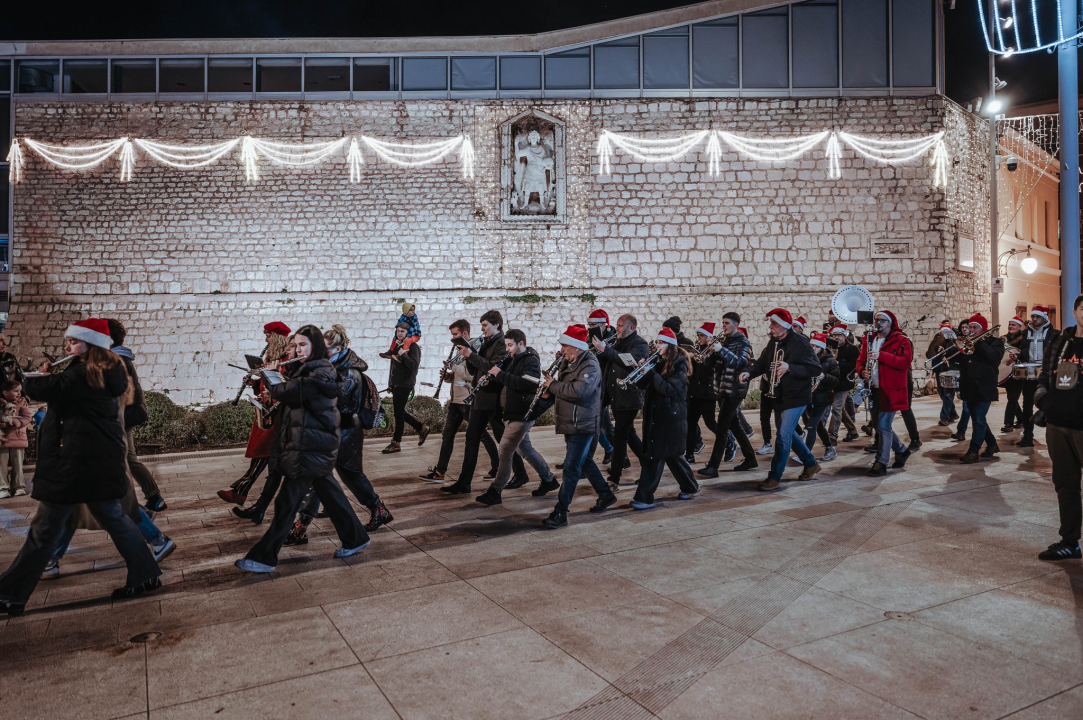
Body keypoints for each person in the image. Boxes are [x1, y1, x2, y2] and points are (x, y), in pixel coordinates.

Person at [0, 319, 161, 615]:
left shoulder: (87, 373)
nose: (66, 347)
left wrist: (30, 375)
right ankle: (146, 573)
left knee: (43, 531)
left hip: (77, 463)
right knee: (114, 518)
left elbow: (48, 387)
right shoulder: (104, 370)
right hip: (92, 461)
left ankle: (9, 594)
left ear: (91, 344)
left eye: (73, 342)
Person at [236, 325, 370, 573]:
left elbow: (288, 392)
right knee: (331, 495)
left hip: (311, 447)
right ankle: (356, 537)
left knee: (287, 504)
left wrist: (271, 374)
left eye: (303, 345)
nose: (297, 349)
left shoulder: (320, 371)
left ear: (316, 346)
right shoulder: (305, 369)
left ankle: (264, 557)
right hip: (307, 445)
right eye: (295, 345)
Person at [442, 310, 525, 494]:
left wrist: (472, 355)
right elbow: (475, 370)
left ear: (496, 325)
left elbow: (492, 368)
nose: (482, 329)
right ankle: (464, 483)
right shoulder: (487, 342)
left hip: (493, 399)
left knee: (503, 441)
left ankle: (520, 472)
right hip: (480, 399)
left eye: (485, 325)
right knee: (471, 439)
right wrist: (467, 356)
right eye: (482, 325)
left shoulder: (502, 345)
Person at [739, 309, 822, 491]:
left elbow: (815, 369)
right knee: (789, 434)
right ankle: (810, 464)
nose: (771, 326)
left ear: (784, 326)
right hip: (779, 395)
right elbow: (762, 363)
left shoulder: (800, 342)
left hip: (797, 396)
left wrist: (789, 367)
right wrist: (749, 372)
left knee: (783, 436)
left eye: (774, 324)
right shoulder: (774, 341)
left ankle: (775, 477)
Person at [541, 325, 615, 528]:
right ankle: (605, 494)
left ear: (576, 346)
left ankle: (561, 512)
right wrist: (550, 390)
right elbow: (564, 387)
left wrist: (552, 386)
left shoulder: (590, 364)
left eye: (565, 346)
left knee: (572, 469)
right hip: (571, 421)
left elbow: (580, 391)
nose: (562, 350)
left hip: (583, 423)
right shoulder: (570, 362)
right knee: (585, 462)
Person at [476, 329, 557, 505]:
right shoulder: (513, 359)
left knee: (505, 450)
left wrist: (501, 374)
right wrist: (490, 380)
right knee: (525, 449)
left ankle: (495, 491)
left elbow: (526, 384)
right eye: (506, 345)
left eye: (510, 345)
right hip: (512, 411)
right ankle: (549, 480)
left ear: (521, 343)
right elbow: (506, 380)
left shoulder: (531, 361)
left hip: (522, 412)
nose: (507, 349)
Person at [324, 325, 394, 531]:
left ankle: (378, 509)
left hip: (347, 430)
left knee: (351, 474)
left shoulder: (350, 373)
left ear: (337, 349)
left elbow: (340, 402)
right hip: (335, 428)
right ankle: (302, 523)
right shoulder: (333, 367)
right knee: (320, 475)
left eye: (324, 348)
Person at [419, 319, 499, 483]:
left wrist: (460, 364)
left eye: (455, 334)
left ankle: (497, 467)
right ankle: (440, 472)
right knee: (447, 435)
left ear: (464, 333)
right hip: (456, 400)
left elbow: (474, 376)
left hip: (468, 400)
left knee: (481, 435)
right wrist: (448, 376)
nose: (453, 338)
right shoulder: (459, 351)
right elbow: (457, 376)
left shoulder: (474, 349)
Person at [219, 323, 290, 505]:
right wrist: (254, 382)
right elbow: (269, 383)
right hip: (267, 408)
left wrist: (267, 374)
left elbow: (283, 383)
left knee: (264, 453)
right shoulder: (272, 357)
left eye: (268, 336)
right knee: (265, 454)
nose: (265, 340)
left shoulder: (286, 358)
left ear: (276, 337)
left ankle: (243, 492)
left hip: (276, 412)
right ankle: (243, 492)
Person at [1035, 294, 1083, 560]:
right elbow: (1045, 375)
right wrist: (1043, 399)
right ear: (1074, 312)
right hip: (1058, 424)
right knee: (1065, 484)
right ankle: (1070, 541)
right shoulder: (1062, 341)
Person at [630, 327, 700, 509]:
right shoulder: (660, 362)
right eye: (657, 342)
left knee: (655, 456)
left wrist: (651, 373)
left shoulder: (680, 362)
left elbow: (669, 389)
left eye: (661, 343)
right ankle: (690, 486)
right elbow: (644, 385)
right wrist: (640, 371)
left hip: (671, 417)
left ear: (670, 345)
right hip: (658, 415)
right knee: (673, 455)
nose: (657, 346)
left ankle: (643, 497)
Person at [106, 319, 168, 512]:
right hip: (126, 415)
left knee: (119, 459)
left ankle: (127, 504)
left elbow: (121, 391)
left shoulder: (117, 360)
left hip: (122, 416)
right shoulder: (120, 358)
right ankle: (153, 497)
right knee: (129, 457)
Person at [593, 314, 648, 491]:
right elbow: (608, 360)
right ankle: (650, 466)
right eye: (617, 325)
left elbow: (628, 362)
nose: (617, 328)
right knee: (628, 434)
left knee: (619, 438)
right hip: (616, 396)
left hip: (629, 397)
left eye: (620, 325)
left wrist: (606, 349)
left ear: (631, 327)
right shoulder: (617, 342)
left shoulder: (640, 344)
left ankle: (614, 479)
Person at [698, 313, 757, 477]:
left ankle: (713, 466)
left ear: (736, 324)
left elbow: (740, 362)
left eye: (727, 323)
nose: (723, 326)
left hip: (734, 390)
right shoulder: (723, 341)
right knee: (735, 426)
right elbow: (710, 365)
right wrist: (708, 351)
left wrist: (721, 350)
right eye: (722, 323)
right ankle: (750, 458)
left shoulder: (743, 342)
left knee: (722, 427)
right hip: (722, 390)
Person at [857, 311, 913, 476]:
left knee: (882, 426)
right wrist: (862, 372)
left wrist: (882, 355)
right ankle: (902, 450)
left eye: (882, 321)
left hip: (891, 389)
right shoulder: (870, 340)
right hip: (873, 389)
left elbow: (905, 362)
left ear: (890, 323)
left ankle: (881, 462)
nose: (878, 323)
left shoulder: (902, 341)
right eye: (876, 320)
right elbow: (860, 361)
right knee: (880, 426)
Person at [957, 314, 1004, 463]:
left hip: (985, 386)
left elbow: (994, 358)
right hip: (968, 386)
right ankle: (991, 444)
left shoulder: (995, 342)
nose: (971, 330)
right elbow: (960, 362)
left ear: (983, 329)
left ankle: (973, 450)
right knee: (978, 418)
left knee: (978, 417)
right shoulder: (965, 342)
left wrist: (978, 343)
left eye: (974, 327)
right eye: (969, 327)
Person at [381, 321, 430, 454]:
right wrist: (391, 384)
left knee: (399, 413)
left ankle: (396, 443)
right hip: (397, 383)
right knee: (400, 412)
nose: (400, 333)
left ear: (407, 333)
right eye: (398, 331)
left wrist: (403, 354)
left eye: (402, 331)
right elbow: (393, 366)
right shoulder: (397, 346)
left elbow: (414, 366)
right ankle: (421, 428)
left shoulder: (413, 346)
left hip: (406, 383)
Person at [1018, 306, 1060, 448]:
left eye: (1037, 317)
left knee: (1049, 404)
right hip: (1029, 372)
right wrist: (1017, 356)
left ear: (1045, 317)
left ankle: (1055, 436)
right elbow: (1024, 351)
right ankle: (1027, 436)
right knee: (1027, 406)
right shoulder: (1025, 333)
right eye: (1033, 316)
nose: (1034, 319)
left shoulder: (1055, 334)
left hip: (1046, 374)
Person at [586, 309, 618, 464]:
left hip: (604, 385)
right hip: (593, 383)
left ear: (604, 324)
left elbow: (615, 358)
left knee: (595, 424)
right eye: (589, 324)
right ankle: (615, 452)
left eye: (593, 325)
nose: (590, 328)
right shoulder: (590, 337)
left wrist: (603, 348)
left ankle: (587, 460)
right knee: (604, 424)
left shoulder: (613, 338)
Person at [686, 323, 718, 464]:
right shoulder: (696, 349)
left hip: (707, 392)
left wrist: (707, 355)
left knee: (710, 423)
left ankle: (728, 440)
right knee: (690, 424)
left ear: (709, 336)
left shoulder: (714, 350)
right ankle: (689, 454)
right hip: (694, 392)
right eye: (698, 335)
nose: (699, 338)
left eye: (702, 336)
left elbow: (710, 368)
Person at [805, 333, 840, 460]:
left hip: (822, 398)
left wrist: (825, 377)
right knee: (818, 425)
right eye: (812, 345)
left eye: (816, 346)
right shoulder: (808, 358)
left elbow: (836, 380)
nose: (813, 348)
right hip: (809, 397)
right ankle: (829, 448)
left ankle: (806, 454)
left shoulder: (831, 361)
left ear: (822, 348)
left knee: (811, 426)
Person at [827, 324, 860, 445]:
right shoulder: (830, 349)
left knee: (836, 408)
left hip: (844, 383)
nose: (836, 337)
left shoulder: (852, 349)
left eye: (838, 335)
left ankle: (832, 436)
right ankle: (852, 430)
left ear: (844, 335)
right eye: (834, 335)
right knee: (840, 408)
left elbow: (855, 366)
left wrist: (838, 364)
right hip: (832, 383)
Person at [0, 381, 31, 499]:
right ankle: (3, 487)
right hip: (2, 438)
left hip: (17, 437)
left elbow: (27, 417)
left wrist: (13, 422)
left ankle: (18, 486)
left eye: (20, 390)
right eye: (16, 391)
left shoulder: (22, 403)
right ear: (5, 392)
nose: (19, 393)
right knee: (1, 464)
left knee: (18, 463)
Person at [928, 322, 961, 427]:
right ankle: (953, 413)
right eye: (942, 332)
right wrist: (937, 350)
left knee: (948, 394)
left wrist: (945, 353)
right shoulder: (937, 340)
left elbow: (956, 352)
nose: (943, 334)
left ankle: (944, 418)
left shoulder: (954, 341)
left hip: (950, 370)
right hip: (939, 369)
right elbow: (929, 354)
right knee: (942, 393)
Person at [1000, 316, 1026, 433]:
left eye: (1013, 325)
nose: (1011, 326)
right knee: (1012, 397)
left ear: (1019, 326)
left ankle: (1008, 423)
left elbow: (1025, 354)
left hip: (1018, 372)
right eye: (1010, 324)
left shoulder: (1024, 339)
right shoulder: (1003, 339)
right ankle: (1021, 419)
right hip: (1006, 372)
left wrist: (1016, 358)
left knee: (1012, 397)